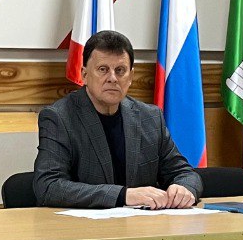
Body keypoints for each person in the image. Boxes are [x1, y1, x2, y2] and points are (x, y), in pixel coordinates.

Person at [33, 29, 201, 209]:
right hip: (85, 225)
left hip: (143, 224)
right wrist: (123, 195)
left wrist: (183, 188)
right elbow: (48, 187)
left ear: (131, 77)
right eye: (103, 69)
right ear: (84, 75)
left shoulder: (150, 117)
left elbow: (185, 173)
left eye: (120, 70)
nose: (112, 78)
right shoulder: (59, 117)